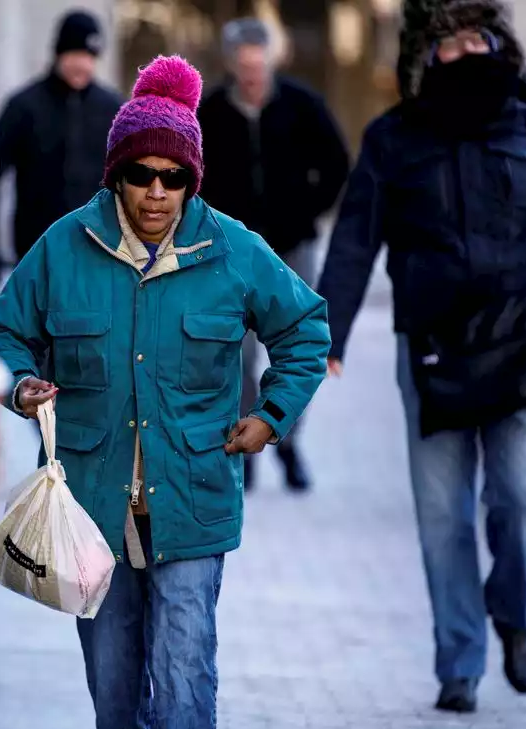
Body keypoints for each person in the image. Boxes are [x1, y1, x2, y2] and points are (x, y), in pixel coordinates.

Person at [0, 55, 330, 729]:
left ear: (193, 180)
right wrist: (19, 383)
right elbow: (0, 331)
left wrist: (272, 414)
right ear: (116, 176)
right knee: (114, 692)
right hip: (92, 511)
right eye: (141, 175)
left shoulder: (232, 249)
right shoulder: (63, 247)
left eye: (174, 177)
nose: (157, 193)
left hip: (194, 505)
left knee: (181, 679)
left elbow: (306, 327)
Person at [317, 0, 526, 714]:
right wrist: (329, 333)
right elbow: (353, 240)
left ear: (500, 44)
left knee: (522, 498)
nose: (467, 53)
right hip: (434, 352)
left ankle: (513, 611)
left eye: (480, 38)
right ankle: (460, 659)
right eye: (451, 42)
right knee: (443, 515)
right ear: (422, 57)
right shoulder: (392, 139)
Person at [198, 17, 349, 492]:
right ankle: (247, 443)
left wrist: (308, 211)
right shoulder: (211, 112)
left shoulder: (303, 105)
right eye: (243, 67)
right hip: (231, 255)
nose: (252, 75)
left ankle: (286, 437)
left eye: (258, 65)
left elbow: (337, 164)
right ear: (231, 65)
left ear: (271, 61)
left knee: (296, 350)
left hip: (291, 247)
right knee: (236, 357)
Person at [0, 9, 122, 285]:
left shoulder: (113, 109)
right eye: (76, 55)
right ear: (59, 53)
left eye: (91, 57)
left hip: (101, 259)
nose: (84, 65)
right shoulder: (24, 107)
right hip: (38, 259)